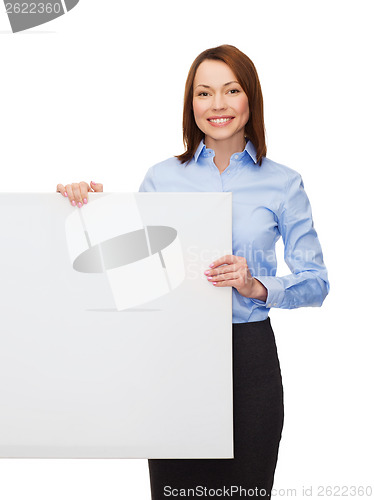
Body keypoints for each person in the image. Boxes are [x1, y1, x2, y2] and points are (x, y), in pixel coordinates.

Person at [56, 44, 329, 499]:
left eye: (231, 90)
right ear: (192, 104)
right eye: (204, 93)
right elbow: (129, 274)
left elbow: (317, 282)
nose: (217, 105)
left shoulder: (284, 183)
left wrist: (255, 284)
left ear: (250, 99)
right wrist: (88, 206)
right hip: (175, 357)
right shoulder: (162, 178)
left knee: (245, 493)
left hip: (249, 358)